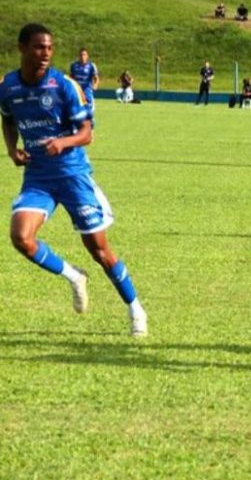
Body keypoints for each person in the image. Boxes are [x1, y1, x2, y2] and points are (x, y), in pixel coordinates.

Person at [0, 23, 147, 336]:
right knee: (21, 238)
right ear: (22, 48)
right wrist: (12, 149)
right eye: (39, 47)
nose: (46, 54)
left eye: (50, 48)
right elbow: (8, 118)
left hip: (72, 174)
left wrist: (62, 143)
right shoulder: (8, 86)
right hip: (38, 178)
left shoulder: (64, 86)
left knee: (100, 251)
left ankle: (136, 309)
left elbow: (86, 133)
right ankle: (73, 276)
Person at [69, 48, 100, 123]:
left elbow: (96, 78)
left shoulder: (91, 65)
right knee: (76, 110)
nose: (82, 56)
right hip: (77, 92)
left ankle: (90, 128)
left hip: (87, 92)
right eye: (81, 55)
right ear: (78, 56)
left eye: (84, 54)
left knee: (89, 112)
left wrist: (95, 85)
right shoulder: (74, 65)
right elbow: (71, 77)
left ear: (87, 56)